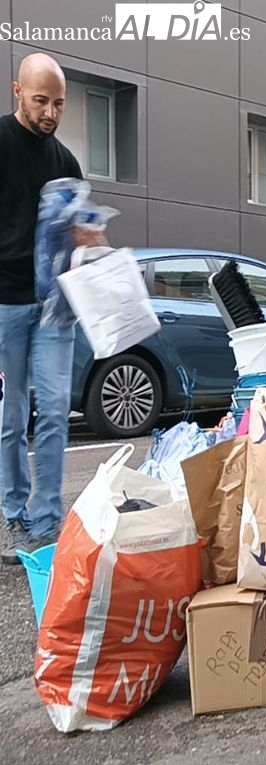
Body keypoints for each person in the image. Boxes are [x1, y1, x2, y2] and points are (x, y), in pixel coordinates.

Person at [1, 53, 96, 564]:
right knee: (12, 412)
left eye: (59, 103)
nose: (51, 113)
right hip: (6, 301)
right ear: (17, 91)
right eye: (41, 101)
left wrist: (90, 236)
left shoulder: (66, 162)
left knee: (56, 411)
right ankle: (16, 515)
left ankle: (46, 522)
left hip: (56, 306)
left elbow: (82, 235)